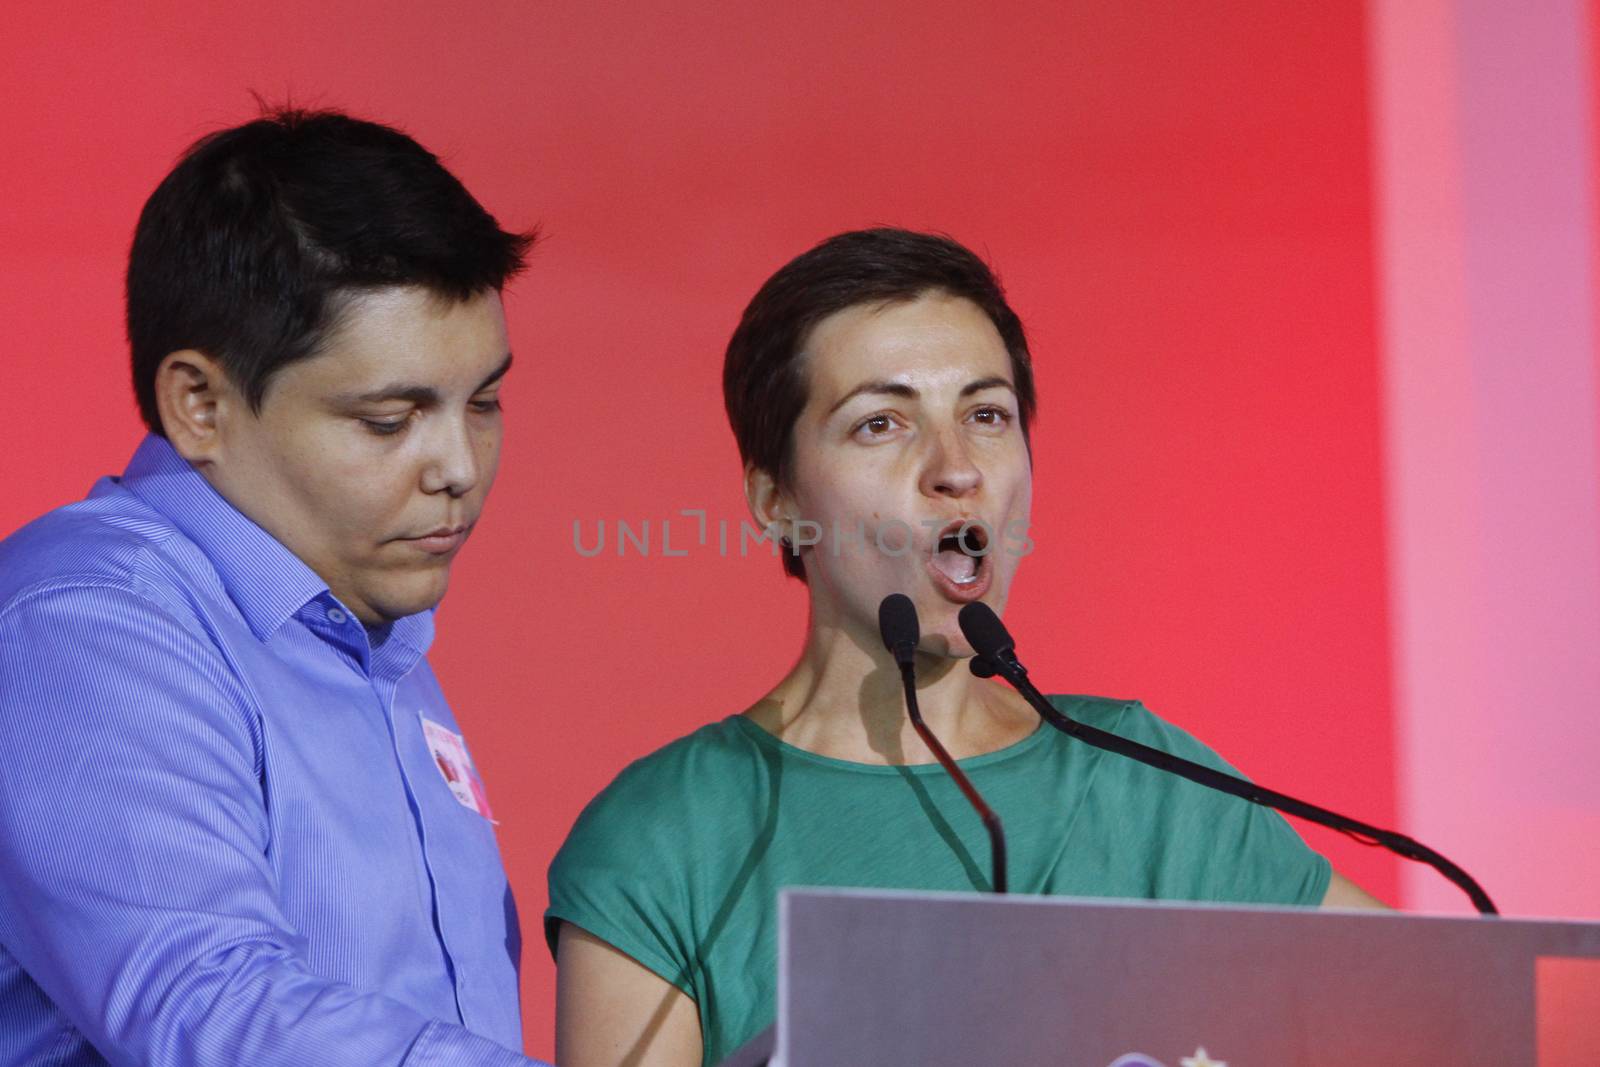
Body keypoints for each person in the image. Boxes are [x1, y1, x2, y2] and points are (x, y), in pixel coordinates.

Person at [546, 228, 1385, 1067]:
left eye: (987, 414)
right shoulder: (666, 836)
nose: (956, 467)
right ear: (776, 500)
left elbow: (1435, 1021)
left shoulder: (1145, 784)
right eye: (881, 423)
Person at [0, 109, 551, 1066]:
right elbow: (209, 1005)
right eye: (389, 419)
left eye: (486, 402)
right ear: (200, 404)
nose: (459, 465)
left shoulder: (376, 635)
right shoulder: (87, 623)